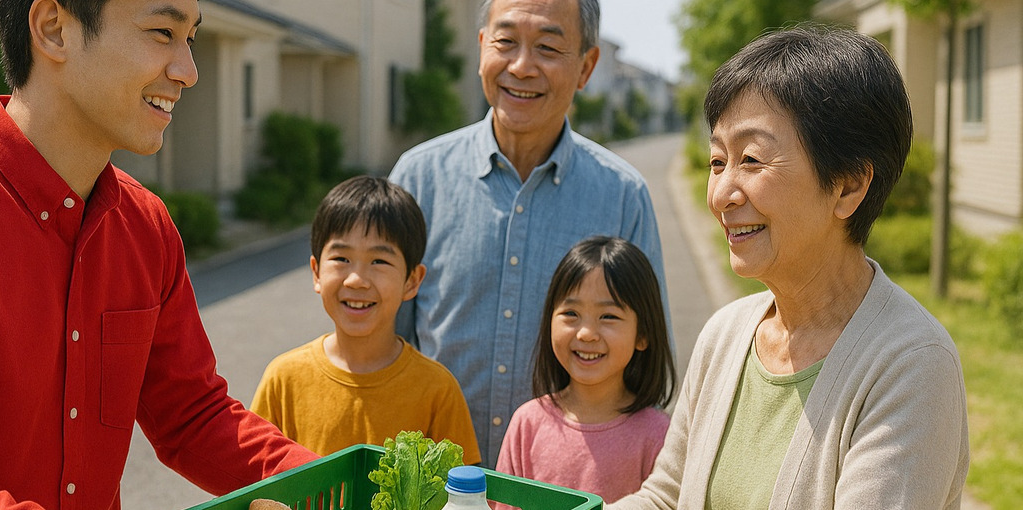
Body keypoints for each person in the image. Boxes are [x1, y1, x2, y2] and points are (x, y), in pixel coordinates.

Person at [0, 0, 318, 508]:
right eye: (161, 32)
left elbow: (192, 416)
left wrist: (340, 487)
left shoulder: (145, 227)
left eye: (189, 38)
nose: (188, 72)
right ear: (53, 28)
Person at [608, 25, 969, 509]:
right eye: (718, 161)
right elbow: (667, 497)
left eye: (752, 159)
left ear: (847, 187)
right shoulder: (725, 334)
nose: (721, 194)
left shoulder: (911, 365)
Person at [388, 0, 669, 467]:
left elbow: (646, 367)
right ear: (481, 49)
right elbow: (383, 344)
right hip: (433, 482)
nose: (521, 66)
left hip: (564, 488)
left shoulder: (623, 196)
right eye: (505, 42)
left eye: (547, 46)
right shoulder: (418, 179)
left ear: (586, 66)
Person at [251, 176, 481, 465]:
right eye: (341, 258)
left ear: (412, 280)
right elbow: (256, 482)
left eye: (379, 261)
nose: (357, 279)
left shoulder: (437, 389)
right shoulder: (283, 378)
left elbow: (460, 497)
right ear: (316, 272)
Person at [496, 236, 674, 502]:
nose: (587, 333)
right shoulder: (527, 424)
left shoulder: (660, 436)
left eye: (609, 316)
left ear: (643, 334)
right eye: (571, 314)